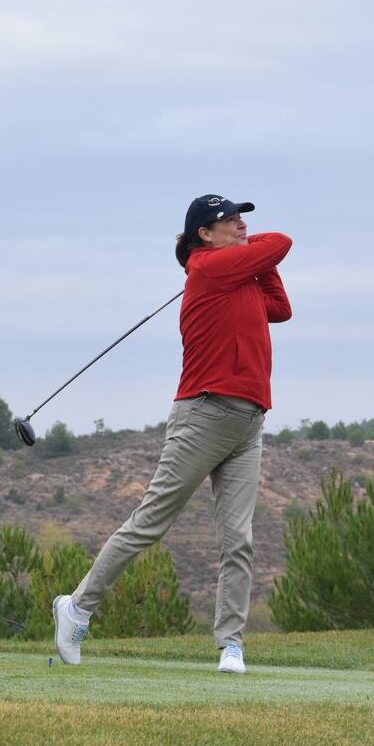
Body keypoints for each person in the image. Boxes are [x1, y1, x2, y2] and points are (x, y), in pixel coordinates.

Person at [52, 194, 292, 674]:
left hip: (248, 422)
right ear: (204, 233)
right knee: (150, 523)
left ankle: (231, 644)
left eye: (244, 219)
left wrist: (252, 257)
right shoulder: (207, 268)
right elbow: (282, 241)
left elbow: (279, 308)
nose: (243, 225)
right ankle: (77, 606)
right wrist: (249, 250)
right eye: (232, 220)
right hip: (203, 414)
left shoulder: (234, 272)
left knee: (238, 538)